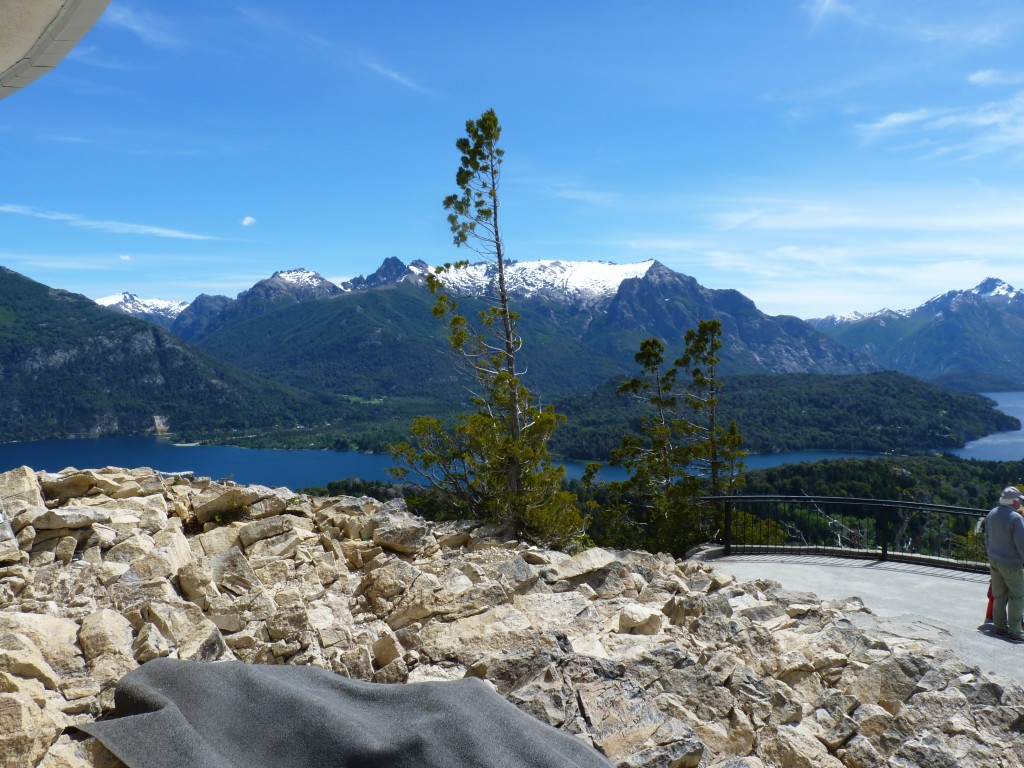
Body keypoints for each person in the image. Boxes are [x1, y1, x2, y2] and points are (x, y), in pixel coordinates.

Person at [985, 486, 1024, 641]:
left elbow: (987, 539)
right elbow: (1022, 545)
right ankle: (1015, 631)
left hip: (995, 561)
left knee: (999, 596)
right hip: (1012, 564)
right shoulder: (1016, 519)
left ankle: (1000, 627)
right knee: (1017, 597)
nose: (1020, 502)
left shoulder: (992, 514)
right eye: (1019, 500)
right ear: (1014, 502)